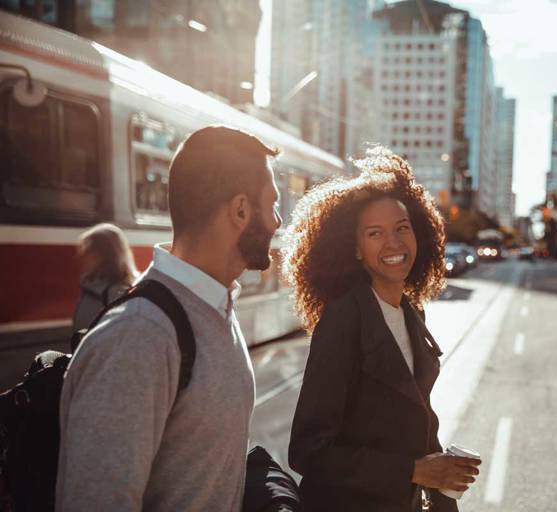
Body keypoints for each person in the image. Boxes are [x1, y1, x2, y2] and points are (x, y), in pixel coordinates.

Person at [56, 126, 282, 511]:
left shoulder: (216, 308)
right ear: (241, 210)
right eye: (272, 204)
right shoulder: (139, 337)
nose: (277, 221)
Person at [282, 146, 480, 511]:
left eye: (402, 228)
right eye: (375, 234)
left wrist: (441, 479)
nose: (393, 243)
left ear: (419, 233)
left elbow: (422, 429)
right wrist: (413, 471)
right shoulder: (343, 319)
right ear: (355, 249)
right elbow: (308, 451)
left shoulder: (411, 311)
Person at [71, 223, 137, 344]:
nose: (83, 255)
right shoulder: (91, 286)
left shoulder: (117, 293)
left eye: (88, 249)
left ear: (105, 255)